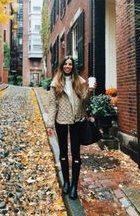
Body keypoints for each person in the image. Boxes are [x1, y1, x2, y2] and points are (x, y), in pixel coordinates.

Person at [46, 55, 95, 200]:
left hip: (76, 121)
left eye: (70, 64)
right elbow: (52, 105)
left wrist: (89, 91)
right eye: (65, 64)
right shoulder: (55, 83)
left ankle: (74, 185)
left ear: (73, 67)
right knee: (62, 153)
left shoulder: (79, 82)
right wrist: (49, 124)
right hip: (61, 120)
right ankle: (66, 182)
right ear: (62, 66)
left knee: (75, 153)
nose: (68, 66)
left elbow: (85, 103)